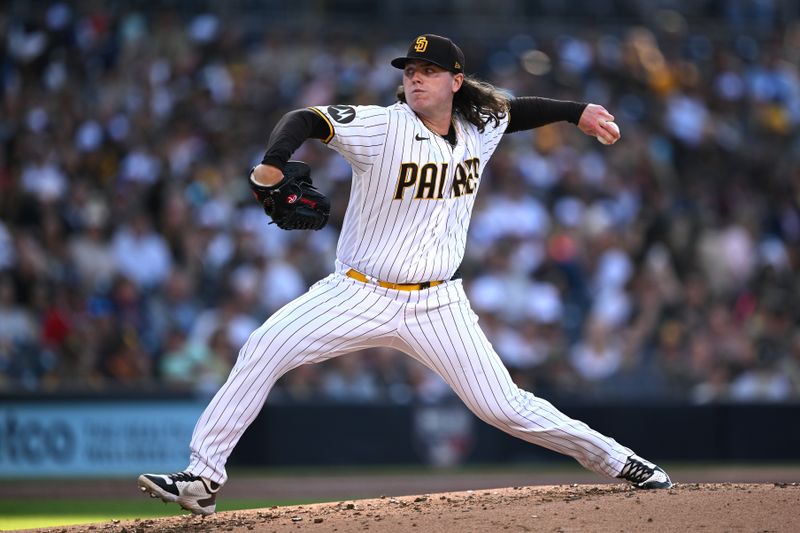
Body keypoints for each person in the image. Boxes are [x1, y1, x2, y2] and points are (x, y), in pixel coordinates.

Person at [138, 34, 672, 516]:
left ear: (455, 82)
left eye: (429, 70)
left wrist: (577, 112)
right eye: (409, 70)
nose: (415, 77)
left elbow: (518, 109)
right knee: (263, 346)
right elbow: (306, 119)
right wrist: (272, 164)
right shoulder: (381, 126)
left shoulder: (478, 126)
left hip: (438, 305)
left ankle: (621, 461)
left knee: (506, 408)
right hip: (357, 291)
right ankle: (203, 477)